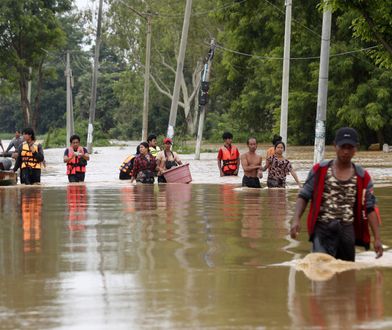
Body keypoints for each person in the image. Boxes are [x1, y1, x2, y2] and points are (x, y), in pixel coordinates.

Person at [290, 127, 383, 261]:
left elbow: (370, 208)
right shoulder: (320, 170)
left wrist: (377, 239)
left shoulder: (362, 176)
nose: (345, 151)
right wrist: (296, 219)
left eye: (350, 147)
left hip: (347, 231)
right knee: (319, 270)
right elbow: (304, 195)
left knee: (346, 273)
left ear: (356, 148)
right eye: (342, 147)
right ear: (335, 146)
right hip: (322, 229)